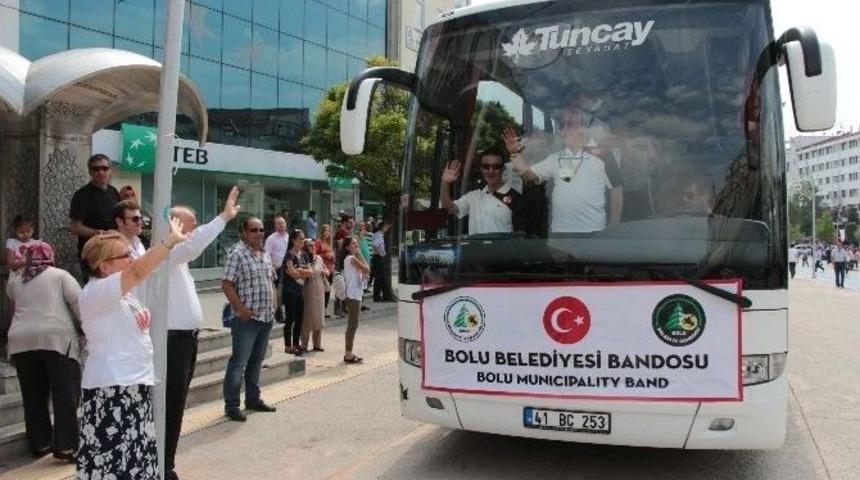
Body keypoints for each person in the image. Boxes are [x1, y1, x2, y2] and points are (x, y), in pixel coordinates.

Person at [76, 218, 187, 479]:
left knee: (136, 461)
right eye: (123, 255)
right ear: (103, 266)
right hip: (112, 389)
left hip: (133, 386)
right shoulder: (95, 292)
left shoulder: (120, 294)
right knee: (116, 465)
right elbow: (137, 271)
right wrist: (168, 242)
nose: (130, 258)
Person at [162, 187, 240, 480]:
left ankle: (165, 461)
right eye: (189, 227)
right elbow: (194, 245)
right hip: (172, 341)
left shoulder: (177, 259)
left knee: (177, 404)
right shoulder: (167, 252)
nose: (193, 233)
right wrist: (223, 217)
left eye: (194, 227)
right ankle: (163, 465)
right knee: (170, 405)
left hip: (185, 339)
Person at [6, 242, 81, 463]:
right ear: (50, 255)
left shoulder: (17, 280)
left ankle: (40, 444)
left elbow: (12, 295)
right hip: (55, 338)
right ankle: (66, 447)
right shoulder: (60, 275)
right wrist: (87, 329)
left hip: (21, 341)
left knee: (33, 394)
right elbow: (78, 302)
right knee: (65, 393)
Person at [503, 95, 623, 233]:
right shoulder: (555, 158)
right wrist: (514, 154)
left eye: (570, 124)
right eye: (562, 125)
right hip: (560, 235)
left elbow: (617, 190)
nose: (563, 129)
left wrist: (614, 227)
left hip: (593, 232)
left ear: (583, 127)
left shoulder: (603, 155)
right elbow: (529, 176)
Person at [222, 216, 278, 422]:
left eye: (261, 230)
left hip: (265, 317)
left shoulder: (264, 253)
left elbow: (270, 279)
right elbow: (227, 284)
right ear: (244, 233)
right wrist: (240, 309)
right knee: (239, 362)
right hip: (247, 320)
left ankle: (253, 400)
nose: (259, 234)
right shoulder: (237, 254)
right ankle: (232, 405)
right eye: (254, 230)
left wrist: (274, 303)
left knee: (256, 362)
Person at [440, 148, 523, 234]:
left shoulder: (515, 197)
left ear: (503, 169)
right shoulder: (473, 196)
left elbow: (521, 235)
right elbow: (448, 209)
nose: (491, 171)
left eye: (496, 167)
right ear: (481, 169)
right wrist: (445, 183)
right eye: (486, 167)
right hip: (476, 247)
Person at [69, 154, 120, 279]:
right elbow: (75, 228)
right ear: (90, 171)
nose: (101, 172)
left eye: (104, 168)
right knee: (96, 292)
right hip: (93, 255)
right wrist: (101, 233)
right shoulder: (82, 195)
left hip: (114, 252)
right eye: (96, 169)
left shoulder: (113, 192)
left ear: (110, 170)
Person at [339, 236, 370, 363]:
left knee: (353, 324)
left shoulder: (351, 258)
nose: (356, 245)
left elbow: (366, 272)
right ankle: (348, 354)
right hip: (353, 295)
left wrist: (358, 253)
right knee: (352, 324)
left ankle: (349, 353)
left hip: (356, 293)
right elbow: (367, 269)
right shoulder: (351, 258)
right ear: (347, 247)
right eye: (353, 243)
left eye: (356, 243)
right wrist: (360, 253)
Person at [282, 230, 313, 355]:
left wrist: (299, 270)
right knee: (290, 318)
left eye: (303, 239)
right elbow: (291, 272)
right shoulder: (289, 255)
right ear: (293, 240)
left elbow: (311, 273)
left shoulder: (304, 255)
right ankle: (288, 345)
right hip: (290, 290)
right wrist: (301, 272)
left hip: (301, 290)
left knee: (299, 319)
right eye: (300, 239)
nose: (302, 241)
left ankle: (296, 343)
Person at [301, 239, 326, 351]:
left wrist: (325, 272)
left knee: (319, 316)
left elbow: (326, 269)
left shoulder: (319, 258)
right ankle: (304, 344)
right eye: (310, 245)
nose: (312, 247)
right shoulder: (303, 259)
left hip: (319, 288)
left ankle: (317, 344)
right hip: (308, 289)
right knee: (307, 316)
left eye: (313, 245)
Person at [264, 216, 289, 322]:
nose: (281, 225)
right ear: (275, 226)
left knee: (287, 292)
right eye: (278, 223)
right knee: (278, 291)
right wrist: (271, 268)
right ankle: (278, 312)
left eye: (282, 223)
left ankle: (287, 312)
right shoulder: (271, 238)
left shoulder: (288, 236)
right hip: (277, 269)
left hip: (289, 267)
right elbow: (266, 255)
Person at [314, 224, 336, 318]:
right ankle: (320, 310)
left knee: (327, 290)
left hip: (330, 269)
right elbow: (315, 255)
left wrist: (332, 256)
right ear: (322, 232)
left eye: (329, 231)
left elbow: (332, 255)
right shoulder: (318, 242)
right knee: (321, 291)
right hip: (322, 269)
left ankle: (325, 309)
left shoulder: (328, 243)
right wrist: (325, 255)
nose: (327, 233)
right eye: (325, 231)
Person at [371, 220, 394, 302]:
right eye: (386, 227)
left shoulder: (377, 234)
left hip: (377, 257)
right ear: (383, 227)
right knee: (379, 278)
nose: (387, 228)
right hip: (378, 257)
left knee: (381, 277)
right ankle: (377, 296)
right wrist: (382, 253)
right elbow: (375, 244)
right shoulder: (379, 235)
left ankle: (383, 295)